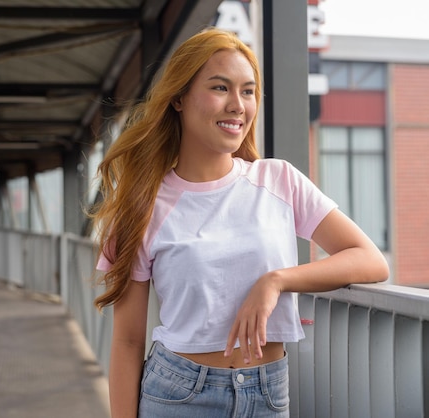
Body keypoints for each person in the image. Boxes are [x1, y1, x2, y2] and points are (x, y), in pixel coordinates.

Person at [91, 27, 389, 418]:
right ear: (178, 98)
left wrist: (277, 280)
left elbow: (370, 260)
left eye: (248, 91)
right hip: (179, 395)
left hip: (268, 393)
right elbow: (128, 342)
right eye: (220, 88)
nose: (238, 105)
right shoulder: (142, 206)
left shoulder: (278, 180)